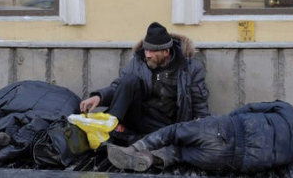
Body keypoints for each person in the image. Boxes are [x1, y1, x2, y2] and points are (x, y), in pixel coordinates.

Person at [80, 21, 210, 143]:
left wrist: (206, 131)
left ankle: (132, 140)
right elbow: (120, 88)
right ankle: (112, 128)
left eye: (152, 51)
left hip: (167, 125)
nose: (147, 54)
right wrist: (99, 97)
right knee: (129, 80)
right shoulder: (138, 62)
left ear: (166, 51)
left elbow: (199, 104)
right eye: (146, 49)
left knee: (166, 139)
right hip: (140, 117)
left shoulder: (189, 68)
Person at [107, 101, 293, 174]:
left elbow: (251, 108)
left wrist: (229, 120)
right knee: (179, 153)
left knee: (174, 132)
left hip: (227, 129)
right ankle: (152, 159)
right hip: (228, 161)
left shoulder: (292, 113)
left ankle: (134, 149)